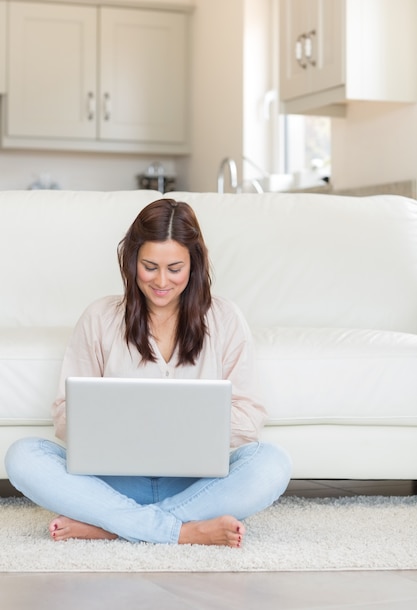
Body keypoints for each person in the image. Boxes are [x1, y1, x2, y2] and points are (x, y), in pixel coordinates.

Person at [5, 198, 291, 547]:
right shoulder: (99, 317)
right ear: (132, 262)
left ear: (194, 264)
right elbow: (66, 414)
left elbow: (249, 415)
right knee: (22, 456)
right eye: (149, 266)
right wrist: (119, 425)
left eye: (175, 268)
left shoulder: (226, 318)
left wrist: (180, 425)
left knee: (272, 463)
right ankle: (181, 530)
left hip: (194, 482)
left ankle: (113, 525)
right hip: (114, 480)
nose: (161, 281)